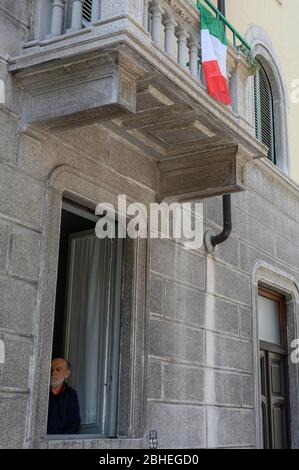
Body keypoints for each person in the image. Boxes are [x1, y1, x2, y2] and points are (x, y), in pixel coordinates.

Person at [47, 357, 81, 435]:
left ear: (67, 374)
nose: (53, 373)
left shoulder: (71, 395)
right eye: (51, 369)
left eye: (58, 369)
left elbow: (74, 424)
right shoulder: (41, 391)